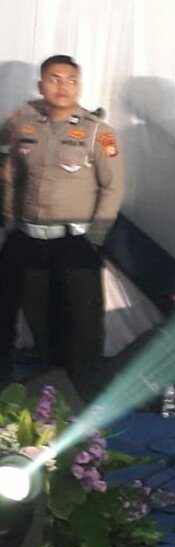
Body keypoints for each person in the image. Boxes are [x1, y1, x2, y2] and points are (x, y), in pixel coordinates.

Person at [0, 55, 124, 396]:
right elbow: (10, 176)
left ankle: (84, 396)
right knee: (40, 321)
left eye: (70, 80)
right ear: (41, 86)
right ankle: (49, 392)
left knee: (83, 326)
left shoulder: (98, 132)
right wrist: (10, 223)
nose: (62, 86)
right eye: (54, 79)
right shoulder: (24, 126)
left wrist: (95, 238)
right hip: (29, 239)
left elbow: (113, 187)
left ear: (78, 86)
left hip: (75, 243)